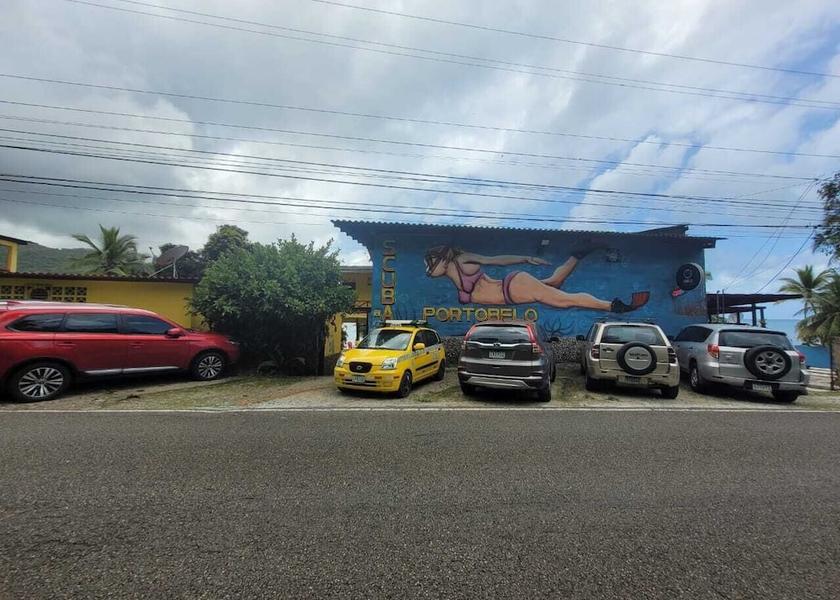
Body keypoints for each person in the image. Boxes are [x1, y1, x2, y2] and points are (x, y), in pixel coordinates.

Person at [423, 243, 649, 312]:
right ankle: (578, 253)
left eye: (429, 263)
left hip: (511, 288)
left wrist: (525, 258)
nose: (427, 269)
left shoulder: (464, 260)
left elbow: (496, 259)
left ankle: (615, 306)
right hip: (513, 290)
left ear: (443, 260)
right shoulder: (453, 275)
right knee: (554, 283)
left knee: (564, 300)